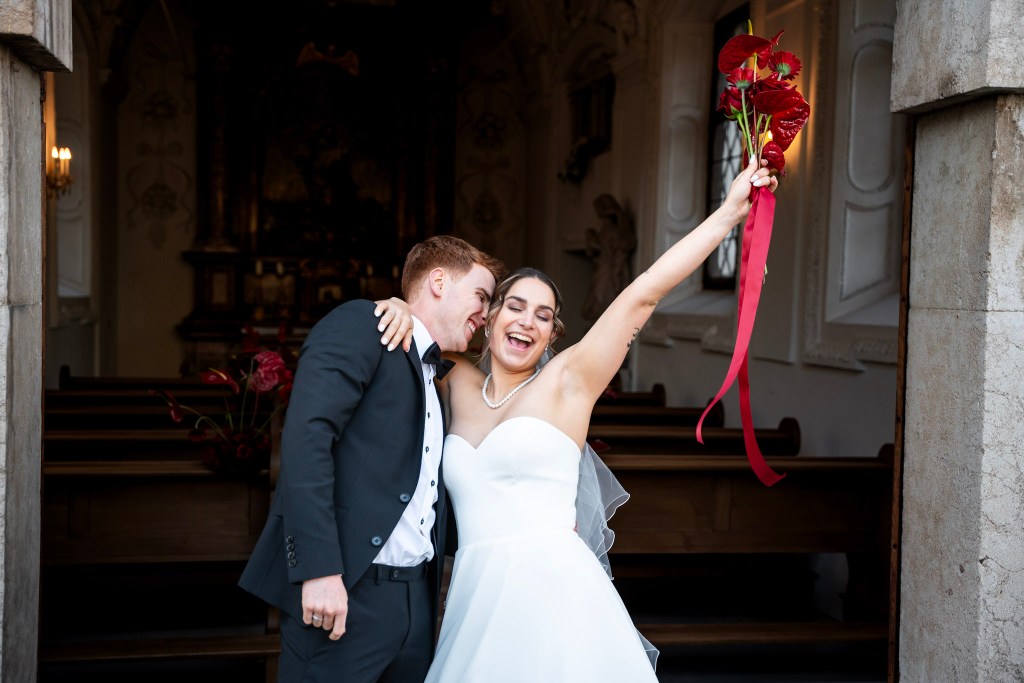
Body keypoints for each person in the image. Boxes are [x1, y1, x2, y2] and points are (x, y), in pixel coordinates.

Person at [376, 158, 776, 681]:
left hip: (556, 597)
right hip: (474, 599)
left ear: (552, 335)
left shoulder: (569, 382)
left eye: (543, 316)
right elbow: (422, 328)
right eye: (515, 306)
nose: (527, 321)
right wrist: (398, 306)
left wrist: (728, 214)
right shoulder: (454, 378)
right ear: (489, 319)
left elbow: (644, 292)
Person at [239, 235, 505, 682]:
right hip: (344, 590)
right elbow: (307, 442)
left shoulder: (441, 378)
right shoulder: (362, 326)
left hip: (417, 604)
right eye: (481, 296)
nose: (485, 313)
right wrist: (319, 570)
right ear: (439, 282)